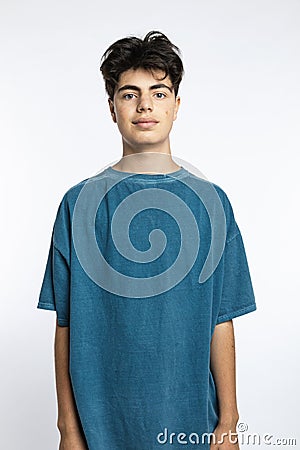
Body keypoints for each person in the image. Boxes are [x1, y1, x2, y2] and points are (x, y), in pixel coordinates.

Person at [37, 31, 257, 450]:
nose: (145, 106)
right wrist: (68, 429)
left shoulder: (212, 203)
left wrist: (228, 421)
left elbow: (220, 317)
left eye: (159, 93)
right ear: (111, 107)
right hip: (99, 429)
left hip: (189, 426)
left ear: (176, 106)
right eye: (129, 94)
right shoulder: (78, 204)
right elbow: (65, 323)